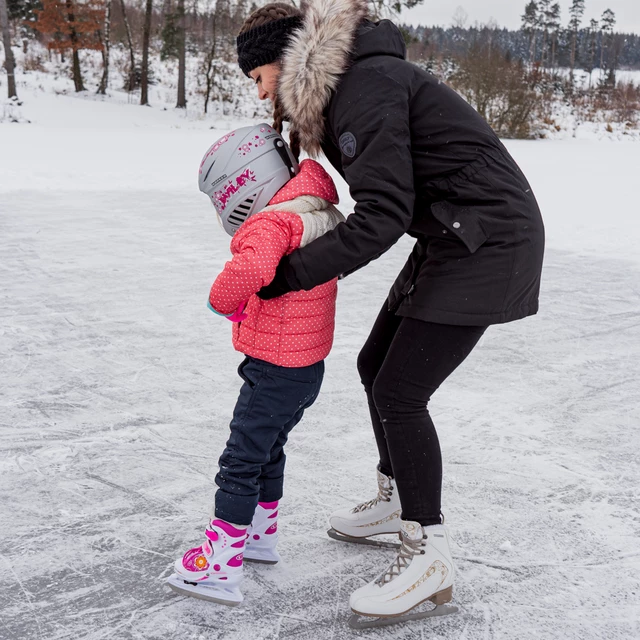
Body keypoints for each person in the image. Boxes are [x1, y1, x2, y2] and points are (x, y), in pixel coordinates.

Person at [235, 0, 545, 625]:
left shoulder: (363, 89)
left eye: (258, 76)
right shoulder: (349, 87)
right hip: (454, 233)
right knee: (375, 363)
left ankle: (427, 554)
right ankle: (395, 495)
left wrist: (289, 275)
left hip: (489, 240)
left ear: (282, 60)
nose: (259, 90)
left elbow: (381, 215)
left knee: (402, 392)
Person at [166, 123, 344, 606]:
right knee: (270, 449)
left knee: (241, 457)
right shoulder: (312, 211)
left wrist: (221, 300)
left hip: (273, 367)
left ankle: (220, 562)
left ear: (243, 184)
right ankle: (260, 536)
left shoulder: (270, 223)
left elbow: (250, 269)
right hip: (306, 368)